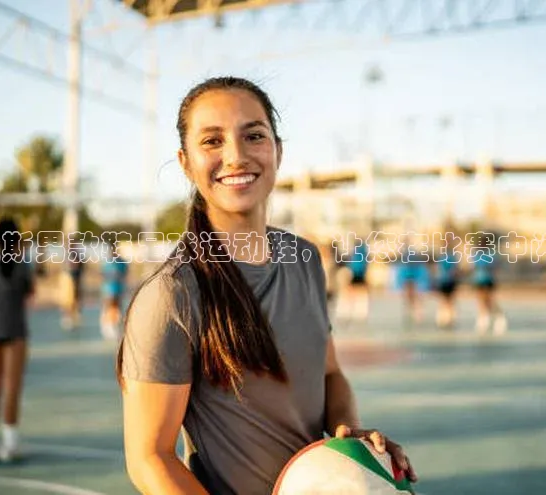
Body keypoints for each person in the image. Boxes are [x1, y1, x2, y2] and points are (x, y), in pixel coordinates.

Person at [117, 77, 417, 495]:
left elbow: (330, 373)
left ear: (278, 149)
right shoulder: (173, 294)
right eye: (212, 141)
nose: (236, 156)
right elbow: (150, 458)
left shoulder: (305, 260)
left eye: (253, 135)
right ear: (185, 162)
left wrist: (351, 439)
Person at [0, 217, 34, 463]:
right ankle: (9, 445)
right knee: (12, 387)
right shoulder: (20, 262)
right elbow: (29, 291)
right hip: (14, 329)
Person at [470, 235, 508, 335]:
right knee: (481, 301)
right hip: (479, 280)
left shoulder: (489, 254)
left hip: (487, 280)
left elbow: (493, 266)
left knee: (489, 300)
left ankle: (499, 317)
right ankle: (484, 320)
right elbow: (475, 266)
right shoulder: (477, 254)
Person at [100, 239, 129, 341]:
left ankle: (115, 327)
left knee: (117, 309)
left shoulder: (121, 262)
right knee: (109, 308)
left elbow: (125, 273)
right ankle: (108, 328)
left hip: (118, 289)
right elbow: (103, 275)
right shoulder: (107, 261)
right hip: (108, 290)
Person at [61, 244, 85, 330]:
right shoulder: (67, 256)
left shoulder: (77, 255)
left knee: (76, 298)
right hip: (69, 281)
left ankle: (75, 316)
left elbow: (81, 267)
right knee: (68, 299)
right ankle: (68, 317)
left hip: (76, 280)